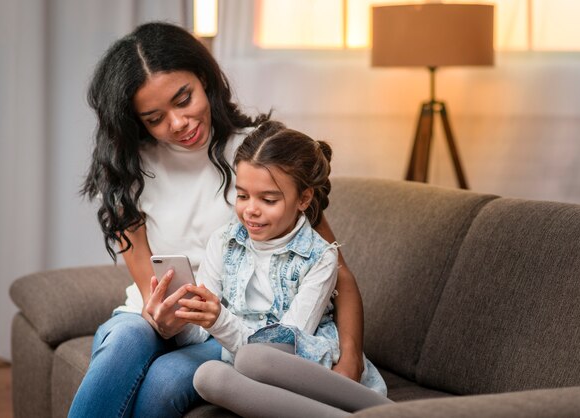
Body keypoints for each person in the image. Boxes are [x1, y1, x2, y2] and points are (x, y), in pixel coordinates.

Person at [68, 21, 367, 418]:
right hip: (160, 318)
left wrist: (351, 361)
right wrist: (160, 315)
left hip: (234, 327)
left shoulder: (259, 153)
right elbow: (149, 288)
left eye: (184, 98)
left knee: (162, 383)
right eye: (155, 118)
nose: (178, 123)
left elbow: (334, 269)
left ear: (205, 79)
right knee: (125, 339)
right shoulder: (129, 170)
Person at [178, 120, 390, 417]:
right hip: (246, 362)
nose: (250, 209)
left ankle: (382, 411)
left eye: (268, 199)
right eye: (242, 195)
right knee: (208, 377)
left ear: (303, 199)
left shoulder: (320, 257)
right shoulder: (224, 242)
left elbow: (288, 342)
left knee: (255, 359)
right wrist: (179, 318)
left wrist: (219, 320)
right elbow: (201, 330)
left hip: (299, 363)